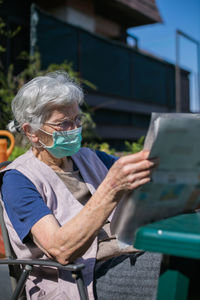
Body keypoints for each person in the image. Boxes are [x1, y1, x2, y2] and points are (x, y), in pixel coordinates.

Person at [0, 71, 161, 300]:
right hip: (77, 278)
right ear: (31, 132)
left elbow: (145, 180)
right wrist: (112, 188)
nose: (74, 129)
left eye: (77, 120)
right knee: (177, 270)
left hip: (124, 254)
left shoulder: (89, 157)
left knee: (184, 256)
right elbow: (60, 250)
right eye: (63, 123)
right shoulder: (18, 180)